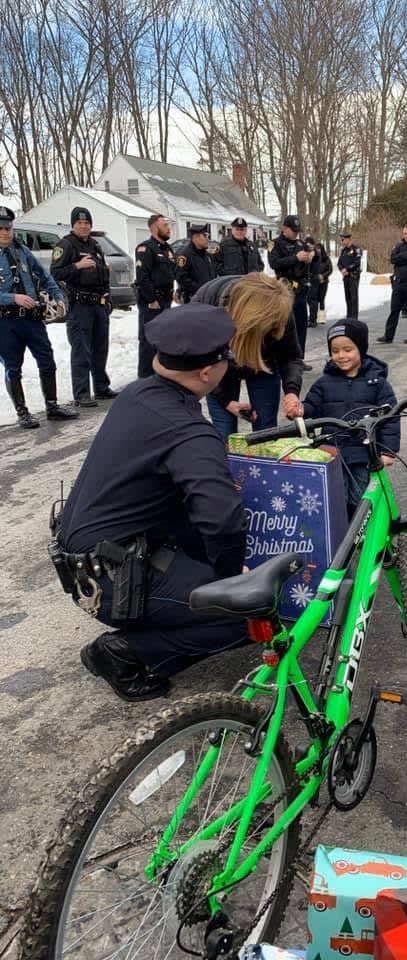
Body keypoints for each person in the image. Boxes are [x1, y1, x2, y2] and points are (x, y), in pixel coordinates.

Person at [52, 303, 251, 701]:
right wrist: (233, 582)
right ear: (206, 371)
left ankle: (160, 617)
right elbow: (223, 521)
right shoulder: (188, 431)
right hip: (113, 578)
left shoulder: (137, 395)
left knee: (201, 566)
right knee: (253, 615)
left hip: (87, 561)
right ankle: (125, 653)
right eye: (226, 357)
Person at [296, 319, 399, 516]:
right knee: (335, 497)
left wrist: (388, 451)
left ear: (361, 349)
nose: (341, 355)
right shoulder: (324, 383)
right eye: (335, 351)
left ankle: (360, 534)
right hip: (332, 453)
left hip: (363, 455)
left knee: (360, 498)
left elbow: (390, 419)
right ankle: (339, 535)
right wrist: (300, 409)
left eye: (347, 349)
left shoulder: (377, 384)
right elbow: (312, 407)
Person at [193, 272, 304, 440]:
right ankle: (224, 463)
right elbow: (200, 364)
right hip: (217, 367)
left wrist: (292, 391)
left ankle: (264, 463)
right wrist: (226, 401)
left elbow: (290, 356)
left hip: (264, 365)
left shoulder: (280, 307)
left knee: (265, 429)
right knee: (224, 431)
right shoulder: (204, 308)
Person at [0, 206, 77, 429]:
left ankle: (52, 407)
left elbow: (43, 275)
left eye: (8, 228)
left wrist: (57, 296)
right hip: (6, 321)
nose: (5, 233)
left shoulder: (21, 251)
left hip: (32, 320)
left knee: (47, 360)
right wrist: (12, 297)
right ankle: (22, 412)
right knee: (13, 367)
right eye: (1, 229)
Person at [50, 206, 117, 407]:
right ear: (73, 225)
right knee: (81, 350)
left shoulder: (95, 245)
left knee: (100, 348)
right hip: (80, 306)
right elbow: (55, 273)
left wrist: (107, 296)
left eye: (87, 223)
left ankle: (101, 387)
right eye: (79, 223)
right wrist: (78, 266)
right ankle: (82, 393)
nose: (83, 226)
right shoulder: (66, 245)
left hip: (99, 304)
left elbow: (104, 273)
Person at [268, 215, 314, 370]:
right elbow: (274, 263)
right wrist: (296, 257)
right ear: (284, 229)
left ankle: (299, 359)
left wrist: (309, 258)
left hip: (300, 290)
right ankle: (285, 359)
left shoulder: (301, 243)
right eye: (293, 231)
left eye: (297, 231)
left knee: (301, 324)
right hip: (284, 289)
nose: (296, 234)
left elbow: (308, 263)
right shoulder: (275, 244)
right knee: (286, 325)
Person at [134, 213, 175, 378]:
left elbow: (171, 273)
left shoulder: (167, 248)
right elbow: (142, 276)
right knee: (149, 342)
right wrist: (151, 299)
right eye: (164, 225)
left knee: (163, 340)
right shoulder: (145, 248)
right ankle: (145, 378)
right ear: (154, 227)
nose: (168, 228)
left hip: (165, 301)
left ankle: (160, 376)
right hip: (152, 303)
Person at [377, 224, 407, 344]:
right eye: (405, 233)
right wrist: (406, 256)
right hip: (398, 283)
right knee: (394, 310)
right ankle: (388, 336)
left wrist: (403, 257)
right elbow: (393, 258)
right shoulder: (398, 245)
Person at [175, 223, 216, 303]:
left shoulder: (207, 255)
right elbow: (181, 278)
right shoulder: (184, 255)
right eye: (205, 235)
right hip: (192, 298)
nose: (207, 239)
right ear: (195, 237)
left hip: (207, 297)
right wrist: (201, 288)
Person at [307, 237, 332, 325]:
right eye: (317, 248)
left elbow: (330, 270)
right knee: (315, 299)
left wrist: (323, 276)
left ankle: (321, 318)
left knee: (321, 299)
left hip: (323, 281)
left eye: (319, 248)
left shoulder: (326, 259)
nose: (318, 250)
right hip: (316, 281)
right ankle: (314, 316)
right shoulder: (314, 257)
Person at [337, 231, 362, 320]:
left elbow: (357, 262)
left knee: (353, 298)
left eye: (343, 239)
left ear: (348, 239)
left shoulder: (356, 249)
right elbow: (339, 263)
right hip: (345, 277)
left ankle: (354, 318)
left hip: (353, 276)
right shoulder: (343, 250)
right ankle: (349, 316)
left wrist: (347, 269)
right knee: (347, 297)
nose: (342, 241)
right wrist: (342, 270)